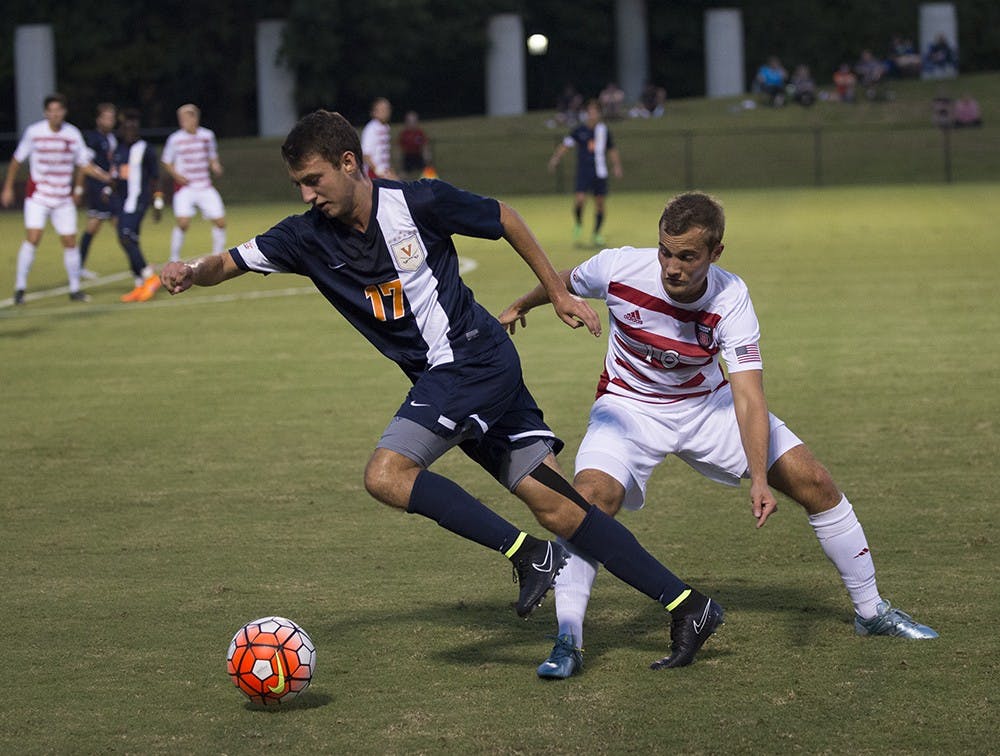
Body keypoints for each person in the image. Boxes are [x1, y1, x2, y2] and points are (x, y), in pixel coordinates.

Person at [160, 110, 724, 672]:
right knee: (557, 506)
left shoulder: (417, 202)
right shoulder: (304, 236)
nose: (308, 194)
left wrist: (555, 290)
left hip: (469, 362)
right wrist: (190, 267)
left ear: (348, 163)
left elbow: (504, 217)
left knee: (386, 474)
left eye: (314, 180)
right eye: (299, 185)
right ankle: (687, 605)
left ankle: (530, 556)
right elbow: (227, 262)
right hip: (463, 375)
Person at [499, 191, 938, 680]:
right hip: (628, 408)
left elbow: (749, 395)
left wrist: (758, 477)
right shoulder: (619, 267)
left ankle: (872, 612)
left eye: (687, 256)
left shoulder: (731, 298)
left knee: (815, 482)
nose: (672, 266)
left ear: (715, 254)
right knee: (587, 504)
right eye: (666, 251)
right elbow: (565, 280)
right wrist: (525, 304)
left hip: (708, 408)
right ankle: (568, 641)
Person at [2, 93, 111, 304]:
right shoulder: (34, 132)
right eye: (51, 110)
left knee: (69, 241)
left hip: (62, 197)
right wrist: (8, 187)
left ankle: (75, 289)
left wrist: (104, 176)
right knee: (33, 237)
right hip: (38, 195)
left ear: (64, 112)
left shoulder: (72, 134)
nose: (55, 114)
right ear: (46, 113)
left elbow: (83, 163)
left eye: (59, 110)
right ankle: (20, 288)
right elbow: (16, 160)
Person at [548, 99, 623, 248]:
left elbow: (612, 149)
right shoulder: (579, 130)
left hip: (600, 172)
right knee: (580, 200)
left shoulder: (604, 131)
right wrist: (555, 158)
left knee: (600, 204)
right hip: (584, 172)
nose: (592, 114)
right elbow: (566, 145)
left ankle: (596, 234)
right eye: (590, 111)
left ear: (599, 114)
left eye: (595, 111)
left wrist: (616, 165)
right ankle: (578, 223)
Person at [161, 103, 226, 262]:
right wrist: (177, 176)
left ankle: (217, 257)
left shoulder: (207, 136)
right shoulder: (175, 139)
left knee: (220, 222)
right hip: (185, 187)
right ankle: (174, 258)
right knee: (183, 223)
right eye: (180, 118)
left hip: (204, 185)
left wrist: (215, 166)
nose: (182, 121)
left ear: (194, 118)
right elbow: (166, 161)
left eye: (185, 117)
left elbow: (212, 156)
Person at [112, 110, 163, 303]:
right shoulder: (119, 150)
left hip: (139, 201)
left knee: (125, 236)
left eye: (133, 128)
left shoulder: (146, 149)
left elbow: (155, 177)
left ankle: (149, 276)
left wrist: (157, 202)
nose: (129, 131)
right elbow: (117, 175)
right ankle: (139, 283)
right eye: (126, 128)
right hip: (122, 203)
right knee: (128, 240)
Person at [78, 102, 118, 279]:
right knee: (122, 226)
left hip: (110, 188)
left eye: (112, 117)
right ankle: (140, 267)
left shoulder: (112, 138)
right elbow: (84, 164)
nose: (110, 121)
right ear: (98, 119)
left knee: (93, 227)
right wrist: (79, 188)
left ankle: (77, 266)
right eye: (106, 117)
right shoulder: (92, 139)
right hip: (99, 190)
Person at [360, 97, 397, 180]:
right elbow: (366, 155)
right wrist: (379, 172)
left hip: (384, 172)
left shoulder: (385, 127)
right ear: (374, 112)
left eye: (387, 108)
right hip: (373, 173)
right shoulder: (371, 128)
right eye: (382, 109)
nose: (386, 111)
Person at [398, 110, 429, 180]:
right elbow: (400, 147)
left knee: (426, 173)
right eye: (410, 121)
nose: (412, 123)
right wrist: (400, 158)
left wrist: (426, 155)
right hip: (408, 156)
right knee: (404, 174)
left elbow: (424, 145)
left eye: (414, 121)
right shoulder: (404, 134)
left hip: (418, 155)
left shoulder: (420, 133)